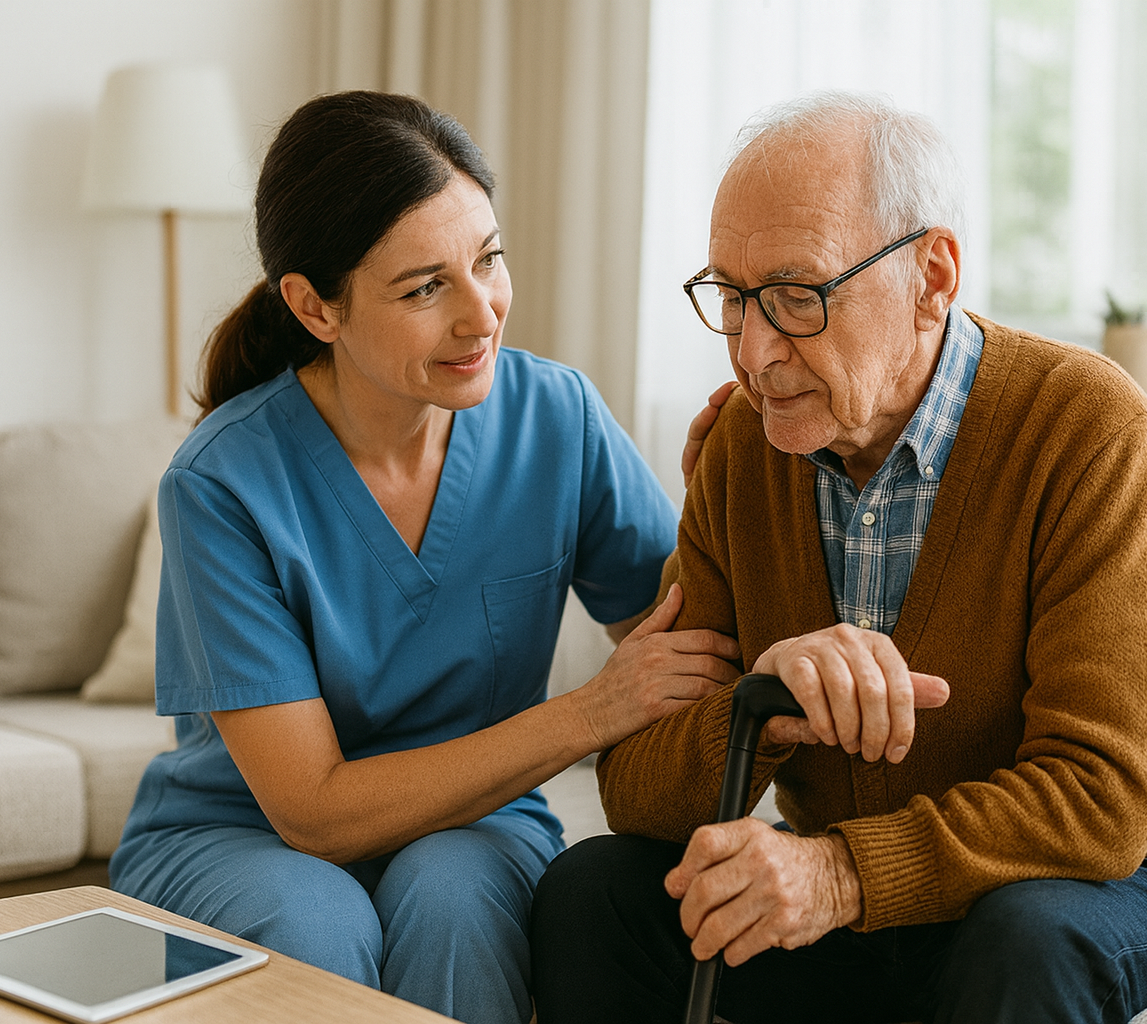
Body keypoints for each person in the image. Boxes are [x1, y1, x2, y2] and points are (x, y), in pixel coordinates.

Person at [530, 92, 1147, 1024]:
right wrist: (767, 703)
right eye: (732, 298)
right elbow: (635, 789)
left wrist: (841, 875)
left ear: (932, 276)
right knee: (595, 891)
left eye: (797, 297)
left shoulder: (1088, 428)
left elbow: (1099, 803)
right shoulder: (741, 451)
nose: (754, 353)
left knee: (1021, 940)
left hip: (1127, 885)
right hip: (888, 903)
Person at [108, 91, 741, 1024]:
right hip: (240, 833)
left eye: (488, 259)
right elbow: (313, 814)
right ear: (314, 306)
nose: (482, 314)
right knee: (313, 922)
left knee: (454, 903)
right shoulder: (221, 484)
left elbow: (698, 628)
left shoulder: (556, 420)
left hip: (478, 822)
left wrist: (736, 484)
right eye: (424, 287)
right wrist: (592, 711)